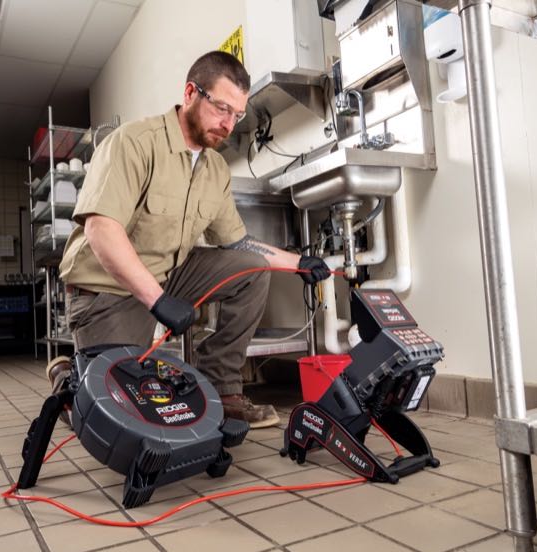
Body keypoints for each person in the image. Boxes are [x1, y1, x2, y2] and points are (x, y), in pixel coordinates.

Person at [47, 50, 331, 428]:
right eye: (221, 108)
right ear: (191, 93)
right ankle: (66, 373)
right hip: (107, 288)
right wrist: (159, 301)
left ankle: (222, 389)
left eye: (237, 115)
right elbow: (101, 228)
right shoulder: (134, 142)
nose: (228, 124)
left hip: (168, 273)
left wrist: (298, 264)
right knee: (108, 414)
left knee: (252, 269)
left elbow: (237, 243)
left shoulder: (215, 168)